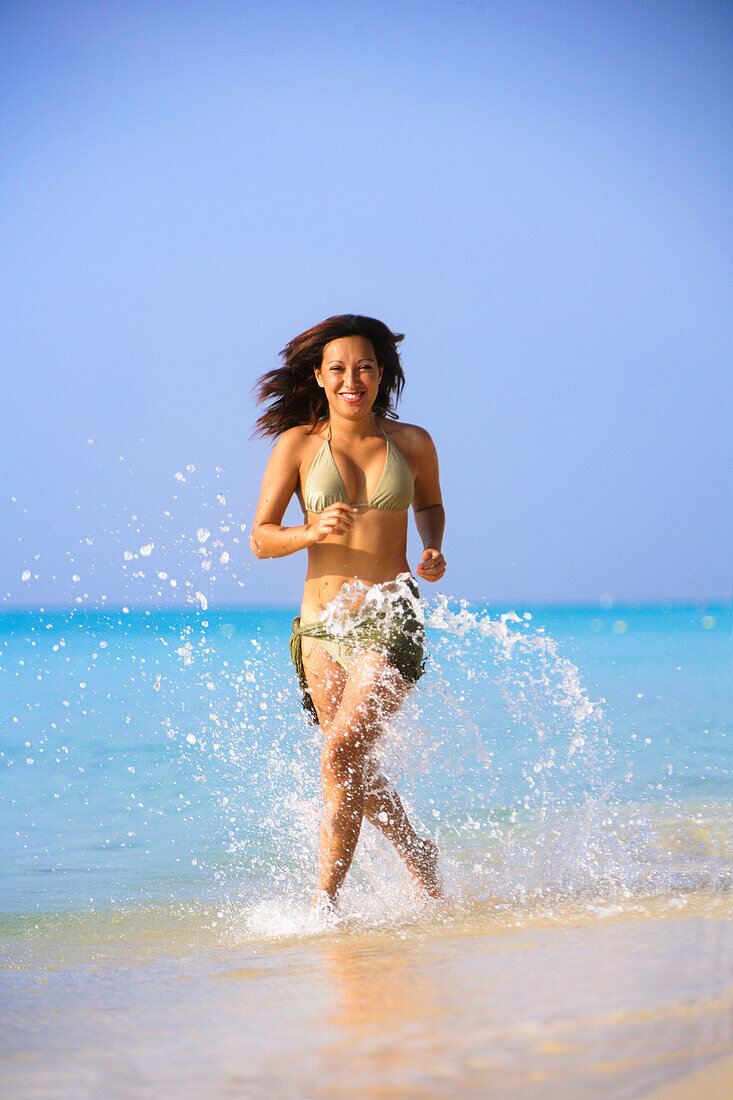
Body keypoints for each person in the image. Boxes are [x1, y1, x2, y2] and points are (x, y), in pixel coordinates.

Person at [251, 314, 446, 911]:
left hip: (389, 613)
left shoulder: (411, 441)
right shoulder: (299, 445)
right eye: (338, 368)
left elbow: (430, 505)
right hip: (320, 626)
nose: (351, 379)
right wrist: (308, 532)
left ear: (381, 373)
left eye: (364, 366)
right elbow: (261, 538)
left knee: (338, 753)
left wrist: (432, 548)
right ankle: (418, 852)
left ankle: (324, 903)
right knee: (347, 759)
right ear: (319, 375)